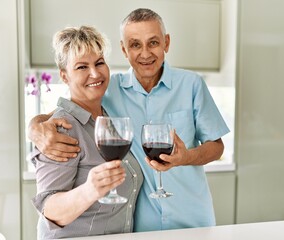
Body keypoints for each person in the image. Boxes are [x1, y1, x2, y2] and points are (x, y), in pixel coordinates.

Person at [28, 8, 230, 232]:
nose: (145, 53)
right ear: (124, 50)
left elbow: (217, 147)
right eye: (135, 44)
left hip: (193, 218)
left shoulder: (192, 84)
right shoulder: (109, 88)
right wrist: (35, 126)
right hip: (142, 228)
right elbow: (74, 108)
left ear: (166, 43)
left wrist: (186, 157)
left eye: (153, 43)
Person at [31, 25, 143, 239]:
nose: (95, 73)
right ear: (64, 76)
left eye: (99, 63)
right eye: (82, 67)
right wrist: (90, 190)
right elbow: (49, 208)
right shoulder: (61, 130)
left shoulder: (108, 118)